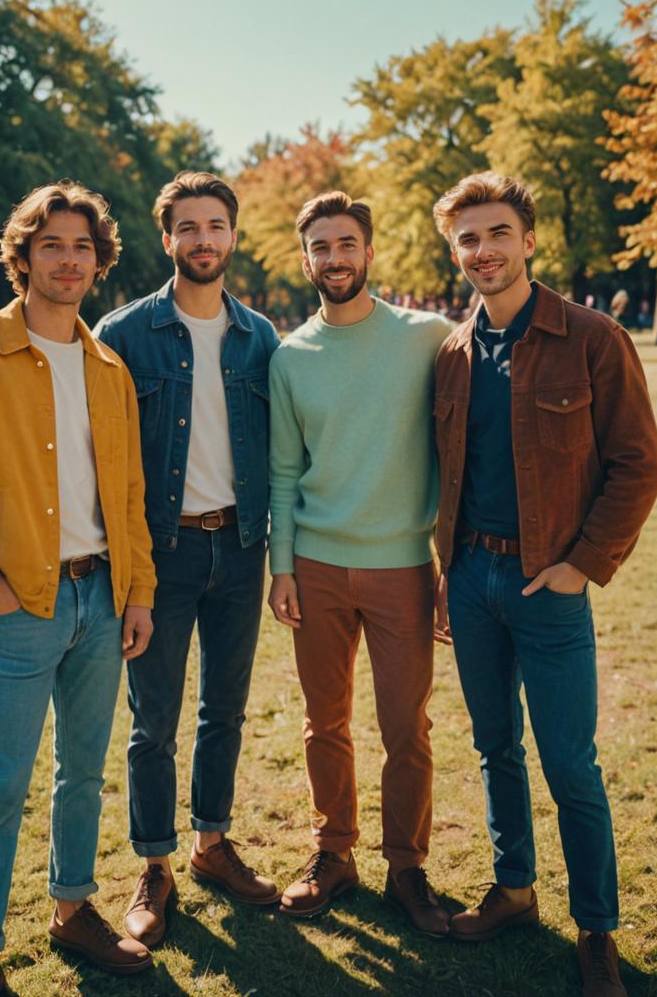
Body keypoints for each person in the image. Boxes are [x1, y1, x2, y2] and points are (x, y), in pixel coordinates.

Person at [0, 181, 157, 997]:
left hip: (103, 601)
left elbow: (130, 499)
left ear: (100, 260)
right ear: (23, 256)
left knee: (84, 772)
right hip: (20, 607)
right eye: (52, 244)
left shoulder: (108, 365)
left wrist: (139, 592)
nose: (69, 259)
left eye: (83, 246)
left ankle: (73, 910)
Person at [431, 171, 657, 995]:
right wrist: (444, 574)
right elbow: (449, 475)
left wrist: (580, 566)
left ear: (529, 240)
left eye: (497, 234)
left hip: (548, 588)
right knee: (495, 749)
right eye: (466, 239)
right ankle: (516, 891)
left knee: (571, 764)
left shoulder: (593, 337)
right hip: (470, 580)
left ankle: (597, 929)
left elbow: (640, 464)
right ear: (453, 251)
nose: (482, 251)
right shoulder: (452, 354)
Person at [95, 171, 281, 947]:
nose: (204, 240)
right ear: (166, 237)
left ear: (233, 236)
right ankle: (155, 866)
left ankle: (211, 844)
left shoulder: (259, 337)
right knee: (153, 722)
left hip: (241, 548)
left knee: (226, 710)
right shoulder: (122, 335)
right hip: (158, 553)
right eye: (188, 228)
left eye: (216, 227)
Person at [267, 191, 451, 932]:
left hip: (404, 566)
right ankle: (334, 854)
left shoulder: (429, 336)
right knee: (325, 722)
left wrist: (449, 562)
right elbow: (284, 471)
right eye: (321, 246)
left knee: (407, 726)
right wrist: (281, 567)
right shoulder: (290, 355)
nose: (334, 258)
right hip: (313, 565)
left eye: (347, 244)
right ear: (305, 257)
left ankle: (407, 867)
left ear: (370, 252)